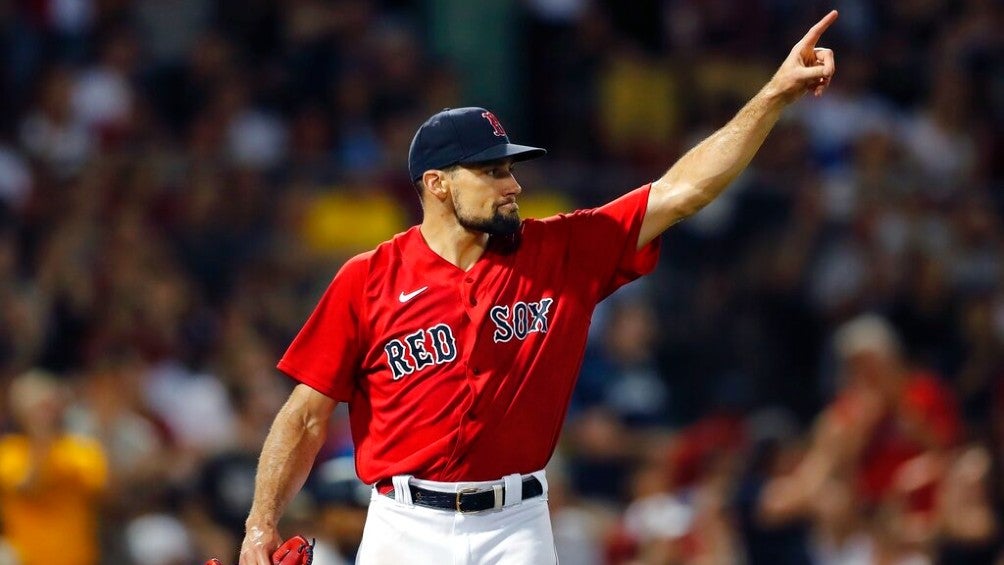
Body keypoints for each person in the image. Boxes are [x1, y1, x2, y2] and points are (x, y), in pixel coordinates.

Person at [239, 11, 840, 564]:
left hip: (516, 525)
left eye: (510, 168)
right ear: (437, 184)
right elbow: (305, 417)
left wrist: (773, 94)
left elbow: (683, 192)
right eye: (492, 170)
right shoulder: (368, 278)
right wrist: (260, 524)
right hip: (404, 525)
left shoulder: (559, 251)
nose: (513, 185)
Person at [0, 369, 108, 565]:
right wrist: (41, 443)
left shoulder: (81, 449)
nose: (43, 414)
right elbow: (29, 489)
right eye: (37, 408)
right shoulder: (9, 452)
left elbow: (108, 496)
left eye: (48, 406)